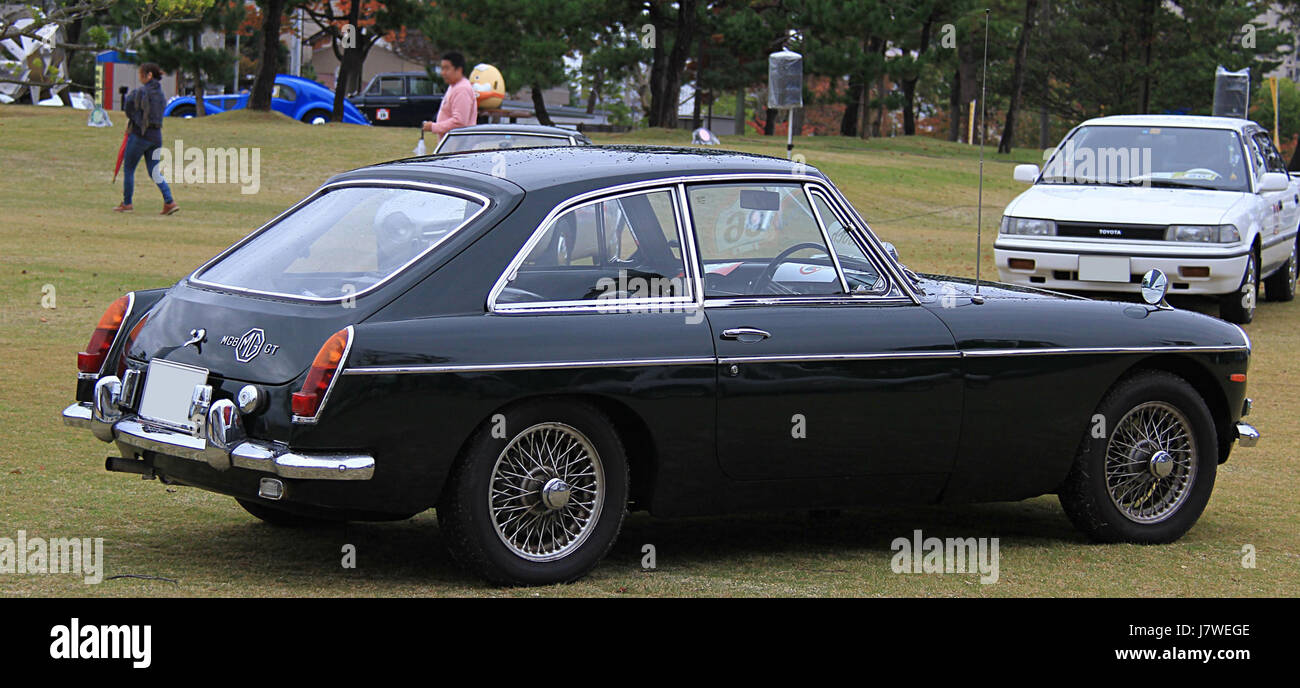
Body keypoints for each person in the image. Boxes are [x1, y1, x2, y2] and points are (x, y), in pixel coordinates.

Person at [114, 63, 177, 215]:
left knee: (129, 169)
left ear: (149, 75)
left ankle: (127, 203)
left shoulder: (140, 92)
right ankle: (169, 201)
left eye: (141, 74)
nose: (139, 77)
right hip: (156, 136)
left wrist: (135, 120)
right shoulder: (161, 95)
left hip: (139, 135)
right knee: (154, 171)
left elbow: (129, 108)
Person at [421, 51, 478, 141]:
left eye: (446, 68)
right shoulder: (453, 87)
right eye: (442, 69)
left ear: (459, 70)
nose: (443, 73)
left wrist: (434, 127)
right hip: (452, 143)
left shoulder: (462, 89)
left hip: (459, 144)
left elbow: (460, 122)